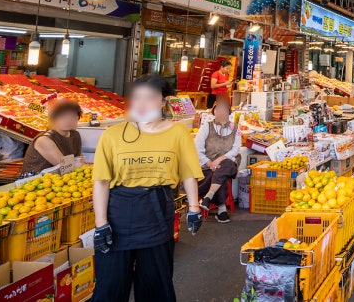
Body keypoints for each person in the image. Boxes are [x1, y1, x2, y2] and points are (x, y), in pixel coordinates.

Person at [92, 75, 204, 302]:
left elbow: (189, 173)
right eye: (137, 98)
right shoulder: (111, 136)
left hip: (156, 211)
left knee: (155, 282)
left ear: (163, 102)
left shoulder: (178, 133)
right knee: (110, 285)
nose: (142, 104)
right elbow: (102, 181)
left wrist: (194, 208)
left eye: (150, 98)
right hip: (118, 214)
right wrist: (101, 224)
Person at [195, 98, 241, 223]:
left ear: (229, 112)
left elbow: (235, 150)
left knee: (225, 165)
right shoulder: (206, 127)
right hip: (208, 165)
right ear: (213, 111)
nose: (221, 112)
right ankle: (221, 209)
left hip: (228, 162)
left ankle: (208, 196)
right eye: (218, 109)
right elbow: (197, 148)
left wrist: (219, 159)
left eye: (224, 109)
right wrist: (209, 163)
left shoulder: (235, 128)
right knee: (219, 174)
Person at [19, 99, 83, 177]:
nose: (68, 120)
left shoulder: (75, 135)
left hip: (61, 180)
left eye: (72, 116)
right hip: (34, 182)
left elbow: (80, 161)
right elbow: (66, 167)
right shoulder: (44, 140)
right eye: (63, 116)